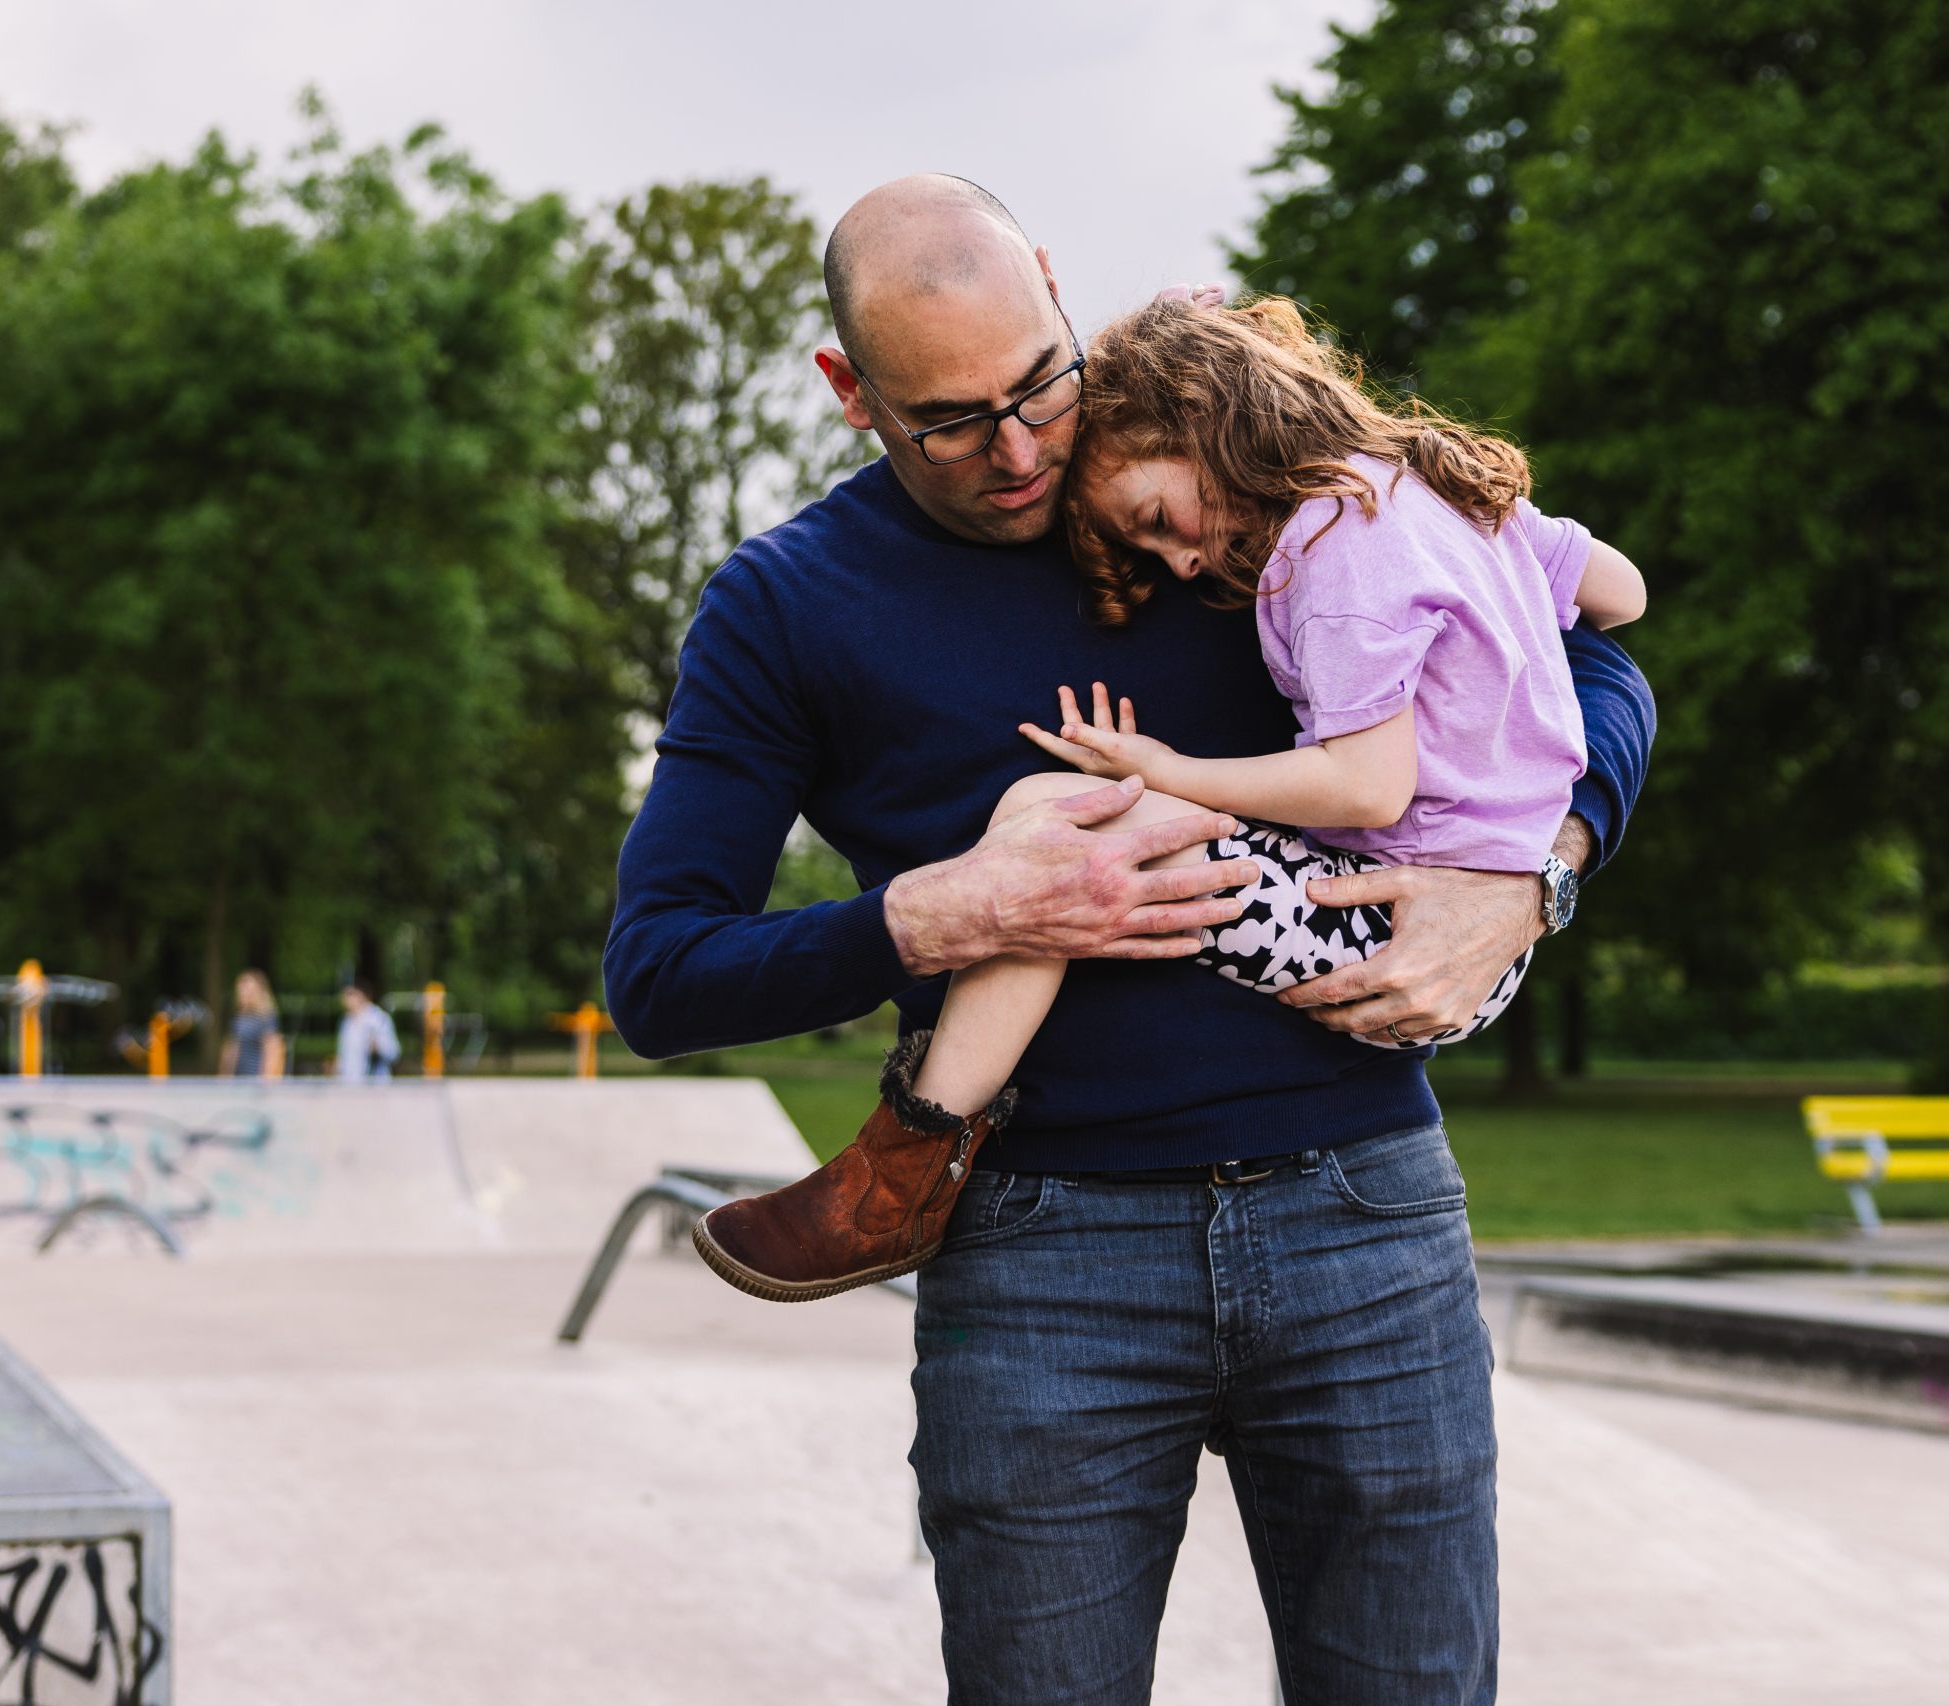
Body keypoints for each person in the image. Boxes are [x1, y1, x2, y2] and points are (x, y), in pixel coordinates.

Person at [604, 176, 1655, 1704]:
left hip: (1363, 1221)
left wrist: (1535, 872)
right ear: (850, 393)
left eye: (1038, 381)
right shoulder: (782, 607)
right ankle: (898, 1156)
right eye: (948, 420)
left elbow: (1584, 649)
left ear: (1052, 281)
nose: (1022, 449)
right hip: (1044, 1260)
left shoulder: (1233, 462)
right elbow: (660, 974)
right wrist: (959, 906)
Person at [695, 292, 1645, 1304]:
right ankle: (909, 1161)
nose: (1187, 564)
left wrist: (1155, 770)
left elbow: (1369, 781)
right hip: (1443, 914)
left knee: (1060, 821)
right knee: (1055, 825)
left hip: (1396, 928)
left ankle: (907, 1164)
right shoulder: (1432, 487)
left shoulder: (1328, 547)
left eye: (1157, 524)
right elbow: (1619, 596)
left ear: (1208, 422)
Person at [217, 968, 284, 1079]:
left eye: (247, 989)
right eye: (241, 989)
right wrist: (224, 1078)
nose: (243, 993)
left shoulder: (266, 1019)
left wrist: (266, 1083)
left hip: (256, 1082)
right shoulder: (238, 1019)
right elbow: (231, 1051)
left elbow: (273, 1052)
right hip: (238, 1081)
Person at [333, 981, 401, 1083]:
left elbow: (394, 1052)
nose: (345, 999)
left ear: (361, 996)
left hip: (375, 1083)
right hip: (350, 1084)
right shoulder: (346, 1022)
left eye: (350, 995)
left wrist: (378, 1047)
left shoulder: (378, 1019)